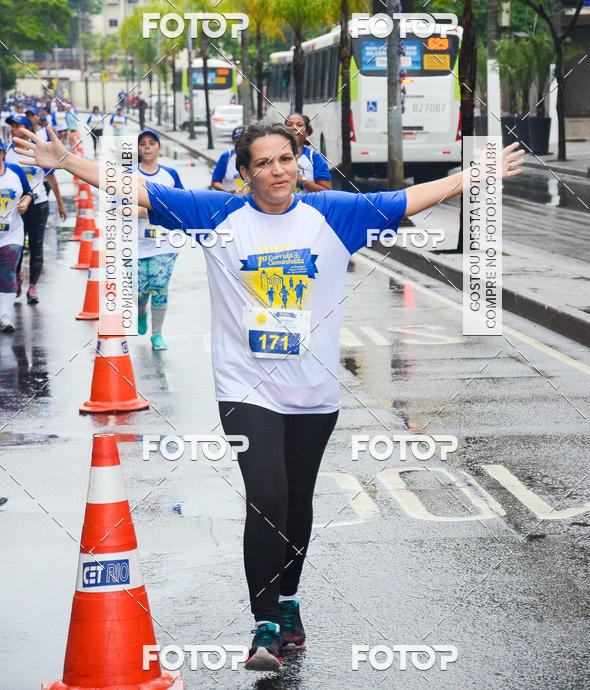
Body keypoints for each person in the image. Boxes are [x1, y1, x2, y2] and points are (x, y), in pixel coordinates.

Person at [12, 120, 525, 672]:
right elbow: (137, 190)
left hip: (314, 391)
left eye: (286, 159)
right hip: (245, 388)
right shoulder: (217, 214)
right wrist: (66, 160)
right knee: (267, 496)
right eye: (263, 163)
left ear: (299, 162)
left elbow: (405, 198)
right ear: (244, 172)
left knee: (298, 504)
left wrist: (474, 176)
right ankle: (263, 628)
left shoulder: (334, 215)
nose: (277, 171)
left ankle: (287, 602)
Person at [5, 114, 67, 304]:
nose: (13, 129)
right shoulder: (8, 151)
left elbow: (51, 178)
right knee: (16, 246)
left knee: (36, 246)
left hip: (38, 203)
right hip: (16, 207)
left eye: (17, 126)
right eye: (12, 126)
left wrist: (60, 203)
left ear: (26, 128)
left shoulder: (39, 150)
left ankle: (32, 287)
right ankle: (17, 278)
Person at [137, 129, 185, 351]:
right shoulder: (127, 174)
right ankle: (140, 310)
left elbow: (181, 203)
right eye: (143, 143)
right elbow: (114, 206)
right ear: (138, 148)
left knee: (159, 287)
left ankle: (157, 334)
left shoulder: (170, 174)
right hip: (134, 244)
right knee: (139, 290)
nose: (147, 147)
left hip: (163, 244)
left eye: (151, 143)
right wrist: (139, 212)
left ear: (158, 147)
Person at [0, 138, 33, 332]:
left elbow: (28, 192)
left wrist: (25, 203)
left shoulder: (15, 171)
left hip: (12, 234)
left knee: (7, 271)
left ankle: (4, 316)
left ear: (3, 154)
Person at [284, 114, 331, 193]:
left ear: (307, 132)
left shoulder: (315, 157)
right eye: (289, 125)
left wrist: (303, 181)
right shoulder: (274, 155)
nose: (294, 128)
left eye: (299, 125)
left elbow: (327, 192)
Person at [211, 126, 248, 193]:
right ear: (233, 141)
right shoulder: (226, 157)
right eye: (237, 139)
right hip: (230, 199)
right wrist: (228, 191)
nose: (240, 142)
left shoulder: (255, 157)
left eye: (243, 139)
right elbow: (215, 182)